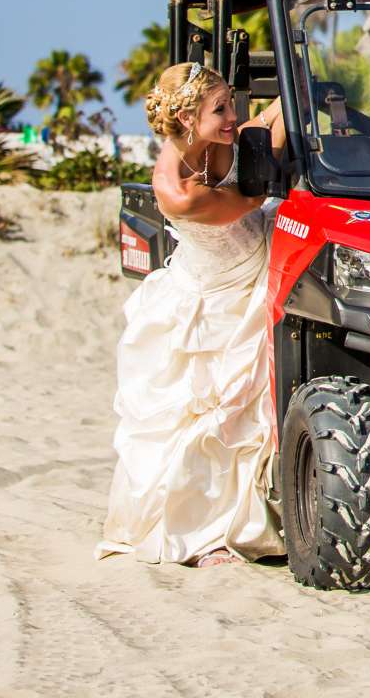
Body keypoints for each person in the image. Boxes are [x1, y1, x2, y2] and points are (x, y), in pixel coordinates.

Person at [97, 62, 287, 567]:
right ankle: (202, 535)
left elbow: (265, 127)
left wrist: (295, 95)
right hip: (219, 295)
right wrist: (266, 133)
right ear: (185, 117)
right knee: (211, 416)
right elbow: (250, 197)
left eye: (230, 103)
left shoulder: (218, 136)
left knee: (257, 408)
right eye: (220, 109)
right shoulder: (176, 191)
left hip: (259, 264)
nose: (233, 115)